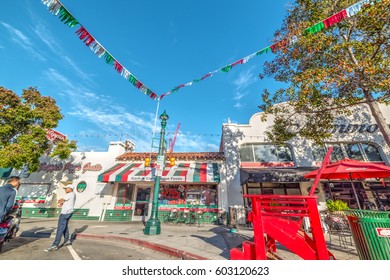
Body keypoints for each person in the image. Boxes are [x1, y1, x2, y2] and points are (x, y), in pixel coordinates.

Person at [45, 185, 76, 252]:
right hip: (69, 212)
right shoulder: (73, 195)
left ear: (70, 189)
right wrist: (63, 203)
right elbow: (66, 202)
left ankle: (55, 245)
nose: (65, 190)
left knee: (60, 229)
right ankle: (67, 241)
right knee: (65, 227)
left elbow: (60, 200)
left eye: (66, 188)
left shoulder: (69, 194)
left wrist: (60, 201)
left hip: (65, 213)